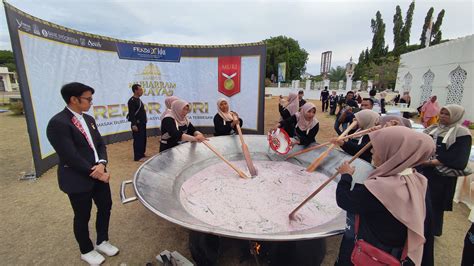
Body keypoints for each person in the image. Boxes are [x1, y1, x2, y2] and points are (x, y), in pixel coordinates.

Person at [335, 126, 436, 266]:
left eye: (377, 147)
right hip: (400, 249)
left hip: (376, 250)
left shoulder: (381, 188)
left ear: (393, 153)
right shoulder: (417, 178)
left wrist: (346, 176)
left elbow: (345, 200)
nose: (371, 151)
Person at [46, 82, 119, 265]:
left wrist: (102, 164)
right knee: (82, 215)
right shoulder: (58, 123)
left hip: (99, 172)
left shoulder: (89, 120)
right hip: (78, 178)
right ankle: (86, 250)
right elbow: (70, 156)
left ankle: (102, 240)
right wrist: (95, 172)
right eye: (88, 99)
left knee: (105, 207)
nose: (91, 102)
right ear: (73, 99)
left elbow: (100, 145)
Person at [419, 104, 471, 237]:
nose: (442, 116)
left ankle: (432, 231)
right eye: (441, 113)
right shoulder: (434, 128)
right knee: (421, 199)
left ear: (455, 116)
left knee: (434, 204)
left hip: (441, 176)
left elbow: (458, 157)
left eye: (447, 114)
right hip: (426, 170)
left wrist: (431, 162)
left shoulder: (461, 133)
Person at [127, 84, 148, 162]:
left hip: (142, 123)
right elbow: (131, 114)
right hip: (137, 124)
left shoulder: (139, 99)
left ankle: (142, 154)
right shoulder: (131, 101)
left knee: (143, 139)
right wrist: (134, 124)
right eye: (140, 90)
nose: (142, 91)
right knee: (138, 140)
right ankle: (137, 157)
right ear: (136, 90)